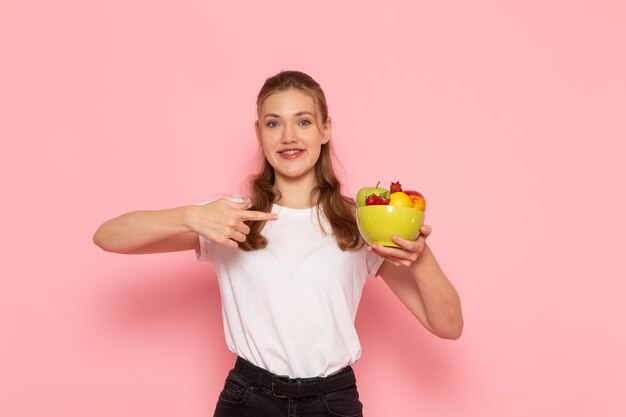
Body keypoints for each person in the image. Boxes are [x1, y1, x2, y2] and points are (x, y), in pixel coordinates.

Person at [93, 70, 463, 417]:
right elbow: (108, 236)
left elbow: (448, 325)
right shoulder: (231, 219)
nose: (289, 136)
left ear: (325, 129)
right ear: (260, 133)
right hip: (248, 399)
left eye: (303, 121)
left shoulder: (359, 222)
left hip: (333, 402)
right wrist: (189, 215)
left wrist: (422, 256)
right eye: (274, 123)